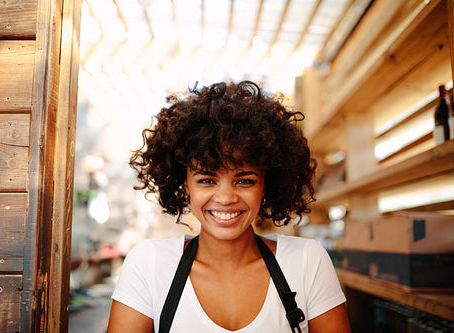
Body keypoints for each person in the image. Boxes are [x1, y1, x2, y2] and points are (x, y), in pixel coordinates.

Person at [107, 81, 351, 333]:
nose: (225, 198)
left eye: (244, 180)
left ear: (266, 186)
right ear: (186, 185)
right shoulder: (149, 264)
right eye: (207, 180)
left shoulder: (308, 262)